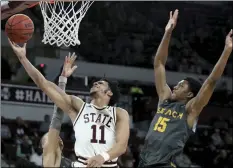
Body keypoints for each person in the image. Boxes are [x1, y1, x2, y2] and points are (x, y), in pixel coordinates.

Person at [9, 40, 130, 168]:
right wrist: (23, 58)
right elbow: (43, 84)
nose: (96, 83)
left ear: (109, 93)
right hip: (82, 164)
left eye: (101, 84)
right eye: (96, 82)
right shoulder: (78, 107)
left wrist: (102, 157)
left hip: (108, 164)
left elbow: (121, 146)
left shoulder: (119, 113)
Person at [139, 9, 232, 168]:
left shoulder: (190, 110)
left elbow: (210, 82)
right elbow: (159, 64)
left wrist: (227, 51)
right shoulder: (165, 99)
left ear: (189, 94)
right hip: (144, 162)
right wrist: (168, 32)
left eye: (181, 85)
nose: (175, 86)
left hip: (164, 164)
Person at [40, 54, 77, 167]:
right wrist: (62, 80)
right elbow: (58, 114)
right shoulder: (48, 161)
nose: (49, 140)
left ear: (60, 143)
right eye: (45, 141)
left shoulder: (71, 164)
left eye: (49, 138)